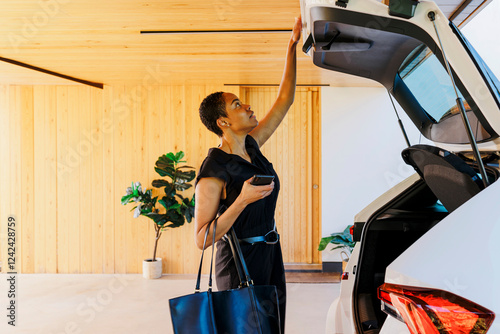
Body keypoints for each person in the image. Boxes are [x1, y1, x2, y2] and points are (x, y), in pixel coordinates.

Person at [194, 16, 302, 334]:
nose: (247, 106)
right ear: (223, 123)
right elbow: (202, 239)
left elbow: (285, 101)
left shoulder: (251, 147)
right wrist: (240, 201)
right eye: (237, 105)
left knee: (272, 328)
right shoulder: (213, 171)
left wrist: (291, 47)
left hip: (270, 255)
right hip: (238, 263)